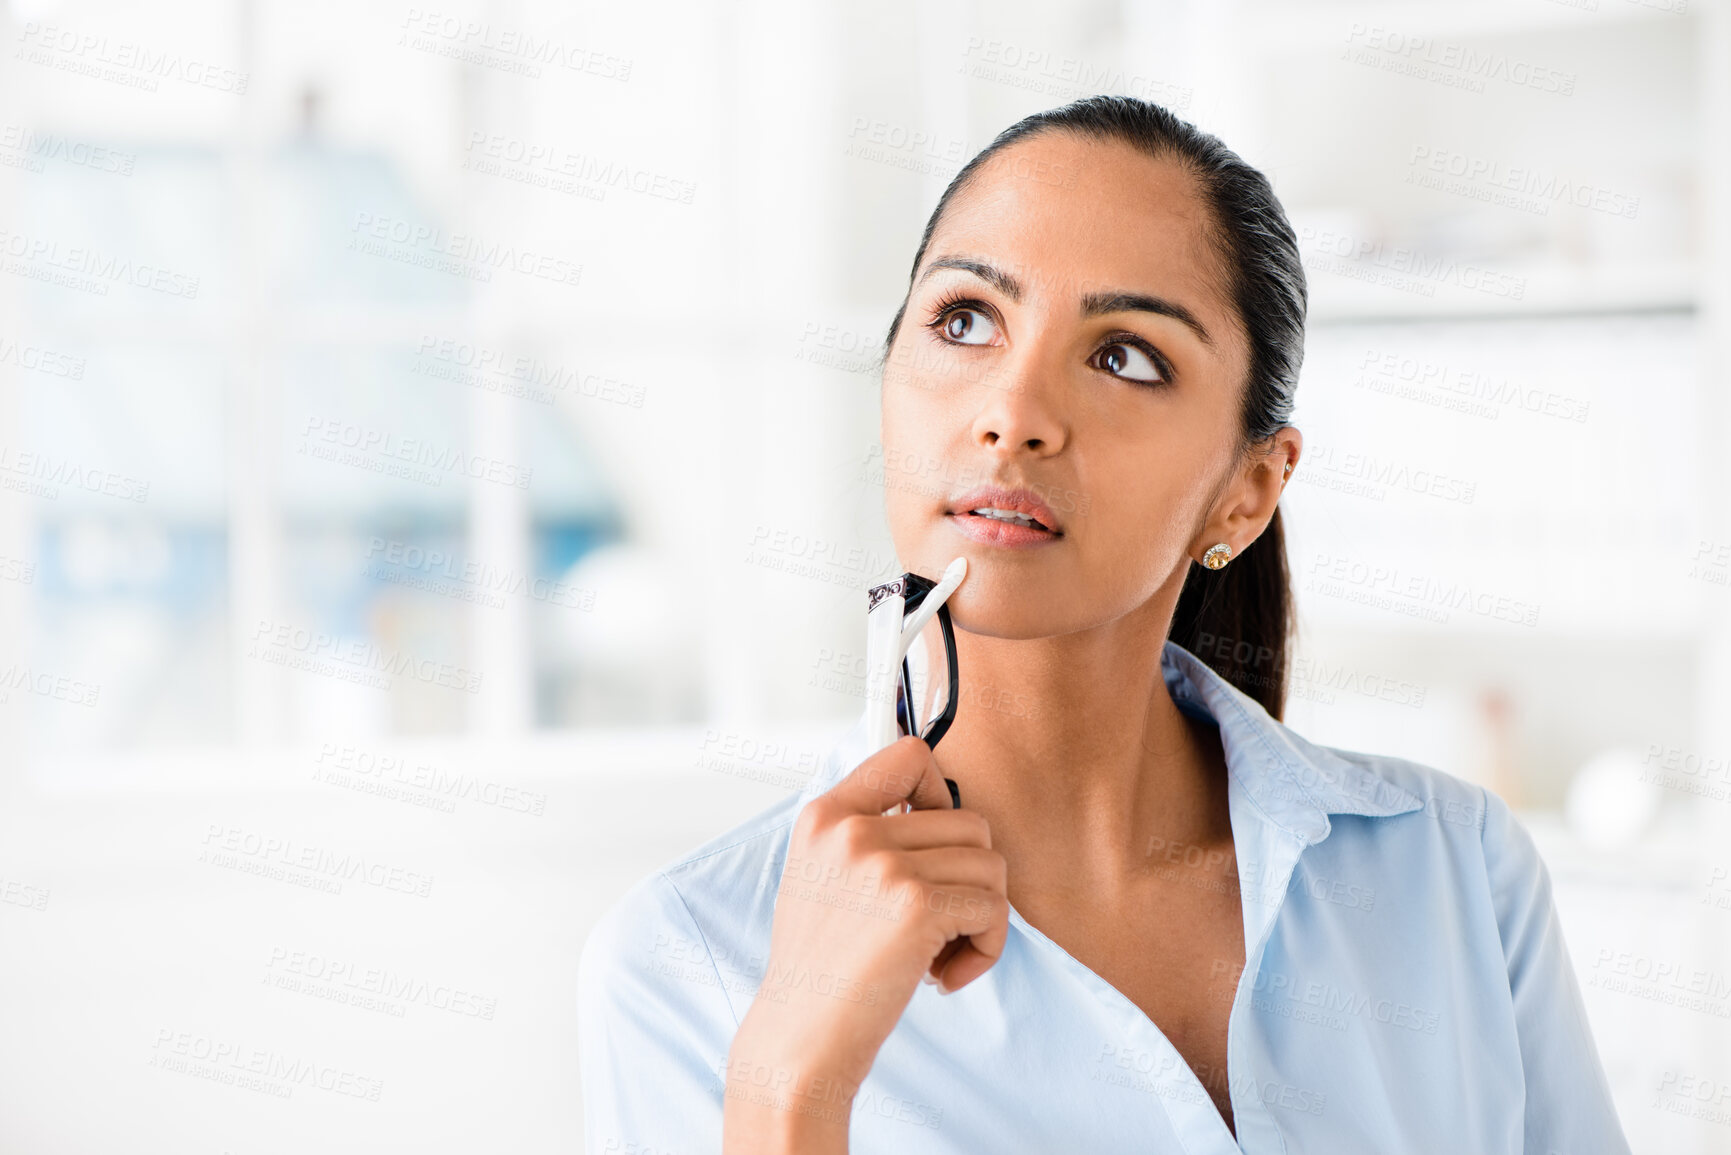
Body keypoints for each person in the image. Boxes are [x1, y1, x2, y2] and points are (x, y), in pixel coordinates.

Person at [577, 95, 1630, 1154]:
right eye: (966, 320)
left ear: (1250, 490)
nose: (1015, 413)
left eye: (1125, 354)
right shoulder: (689, 962)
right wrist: (786, 1087)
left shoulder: (1457, 868)